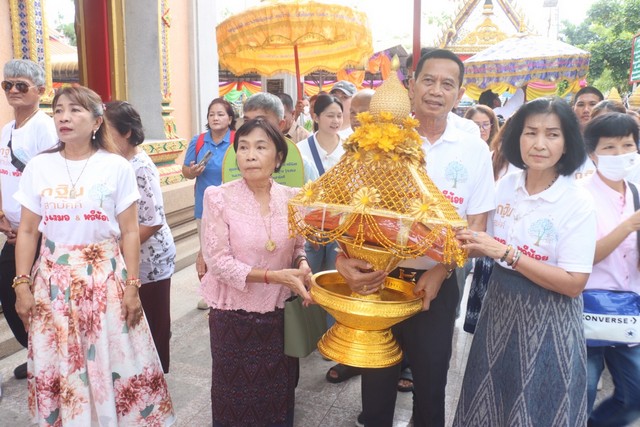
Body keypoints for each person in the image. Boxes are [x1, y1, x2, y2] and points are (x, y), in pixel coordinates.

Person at [340, 49, 495, 427]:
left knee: (430, 384)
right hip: (378, 281)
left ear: (459, 94)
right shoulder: (378, 140)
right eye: (428, 80)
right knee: (376, 384)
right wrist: (343, 258)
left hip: (436, 286)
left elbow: (476, 225)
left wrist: (442, 271)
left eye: (447, 84)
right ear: (411, 85)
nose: (436, 91)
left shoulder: (473, 149)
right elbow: (343, 210)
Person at [13, 85, 175, 425]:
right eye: (59, 110)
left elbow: (130, 231)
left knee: (112, 359)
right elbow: (27, 231)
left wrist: (132, 286)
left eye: (75, 110)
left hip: (105, 280)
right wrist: (22, 285)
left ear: (97, 121)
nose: (64, 117)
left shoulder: (116, 167)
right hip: (53, 285)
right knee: (63, 360)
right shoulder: (39, 167)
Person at [453, 97, 596, 427]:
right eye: (531, 132)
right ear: (517, 137)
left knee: (536, 408)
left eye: (552, 134)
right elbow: (483, 244)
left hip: (549, 318)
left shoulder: (577, 201)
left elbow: (574, 283)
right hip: (499, 308)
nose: (539, 144)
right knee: (489, 404)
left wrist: (508, 254)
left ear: (567, 143)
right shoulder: (506, 186)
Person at [199, 117, 312, 426]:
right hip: (234, 318)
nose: (250, 155)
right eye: (243, 147)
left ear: (278, 157)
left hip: (280, 315)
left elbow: (298, 246)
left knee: (277, 395)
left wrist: (302, 265)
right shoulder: (218, 197)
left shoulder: (292, 198)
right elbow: (218, 261)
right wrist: (274, 276)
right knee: (235, 398)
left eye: (261, 147)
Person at [105, 100, 176, 373]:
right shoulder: (115, 164)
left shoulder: (140, 167)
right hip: (128, 254)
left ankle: (154, 379)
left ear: (126, 132)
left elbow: (153, 221)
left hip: (150, 260)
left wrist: (118, 250)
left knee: (153, 323)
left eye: (106, 132)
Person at [581, 112, 640, 427]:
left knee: (635, 395)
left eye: (627, 145)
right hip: (586, 307)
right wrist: (627, 226)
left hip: (628, 309)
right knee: (583, 391)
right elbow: (584, 256)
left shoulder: (635, 193)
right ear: (593, 154)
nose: (620, 154)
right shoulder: (581, 195)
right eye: (609, 147)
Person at [0, 59, 57, 380]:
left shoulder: (44, 128)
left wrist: (29, 228)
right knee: (11, 295)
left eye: (21, 85)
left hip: (38, 232)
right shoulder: (7, 130)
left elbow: (51, 182)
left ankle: (48, 357)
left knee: (35, 297)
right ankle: (37, 353)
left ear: (40, 90)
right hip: (13, 230)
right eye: (7, 85)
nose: (13, 91)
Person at [182, 97, 235, 309]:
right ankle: (210, 293)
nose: (215, 118)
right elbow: (185, 171)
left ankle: (231, 292)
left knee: (231, 251)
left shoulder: (237, 139)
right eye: (212, 114)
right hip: (204, 207)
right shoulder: (199, 141)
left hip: (233, 206)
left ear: (230, 118)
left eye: (220, 114)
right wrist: (192, 171)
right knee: (207, 251)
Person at [296, 94, 344, 275]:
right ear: (316, 117)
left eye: (339, 115)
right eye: (330, 116)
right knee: (307, 275)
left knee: (334, 277)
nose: (336, 121)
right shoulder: (301, 149)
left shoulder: (349, 150)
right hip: (309, 226)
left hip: (340, 226)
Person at [574, 98, 624, 180]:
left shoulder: (633, 161)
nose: (604, 127)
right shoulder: (576, 156)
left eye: (610, 121)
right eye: (598, 122)